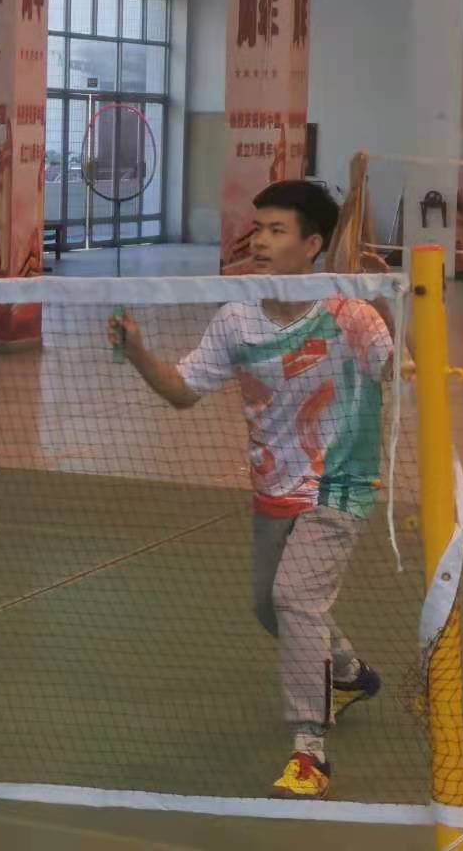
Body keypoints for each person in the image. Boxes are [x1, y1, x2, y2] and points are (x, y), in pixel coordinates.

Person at [108, 181, 390, 801]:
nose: (259, 240)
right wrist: (136, 352)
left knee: (294, 597)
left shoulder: (351, 314)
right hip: (273, 486)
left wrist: (395, 306)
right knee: (269, 606)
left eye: (276, 230)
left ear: (312, 245)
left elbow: (395, 366)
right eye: (258, 228)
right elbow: (183, 392)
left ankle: (310, 754)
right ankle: (348, 670)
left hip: (340, 483)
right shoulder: (236, 319)